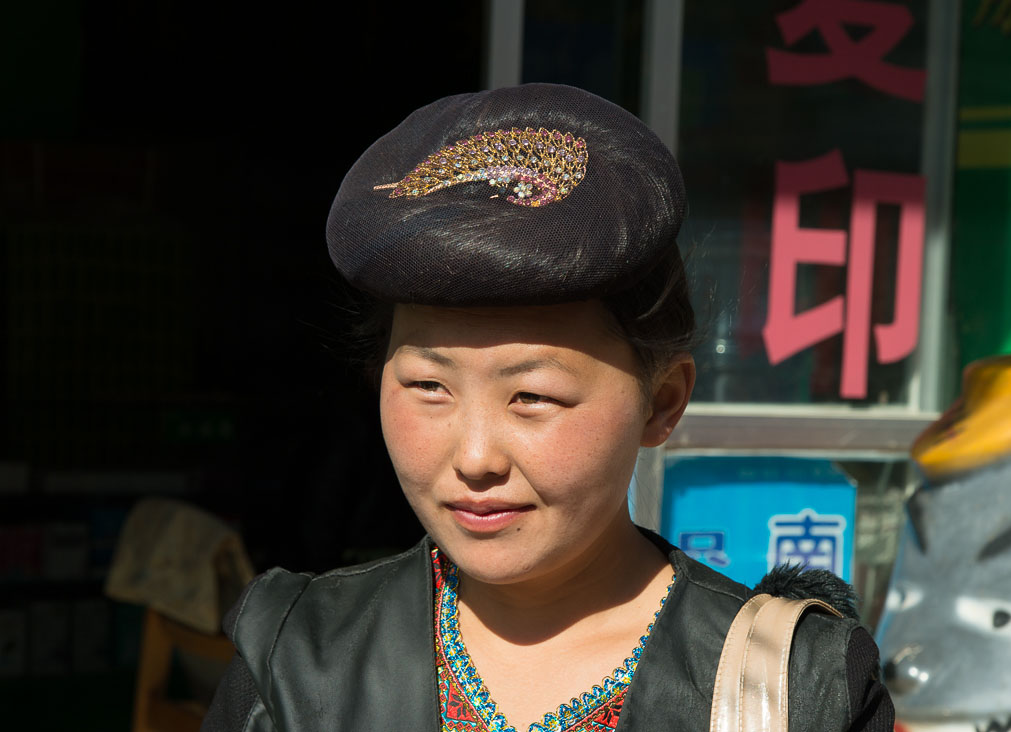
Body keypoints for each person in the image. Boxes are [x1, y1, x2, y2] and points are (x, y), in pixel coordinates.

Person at [201, 83, 892, 732]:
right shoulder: (296, 661)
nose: (473, 458)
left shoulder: (793, 688)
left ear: (663, 401)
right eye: (428, 387)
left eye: (531, 397)